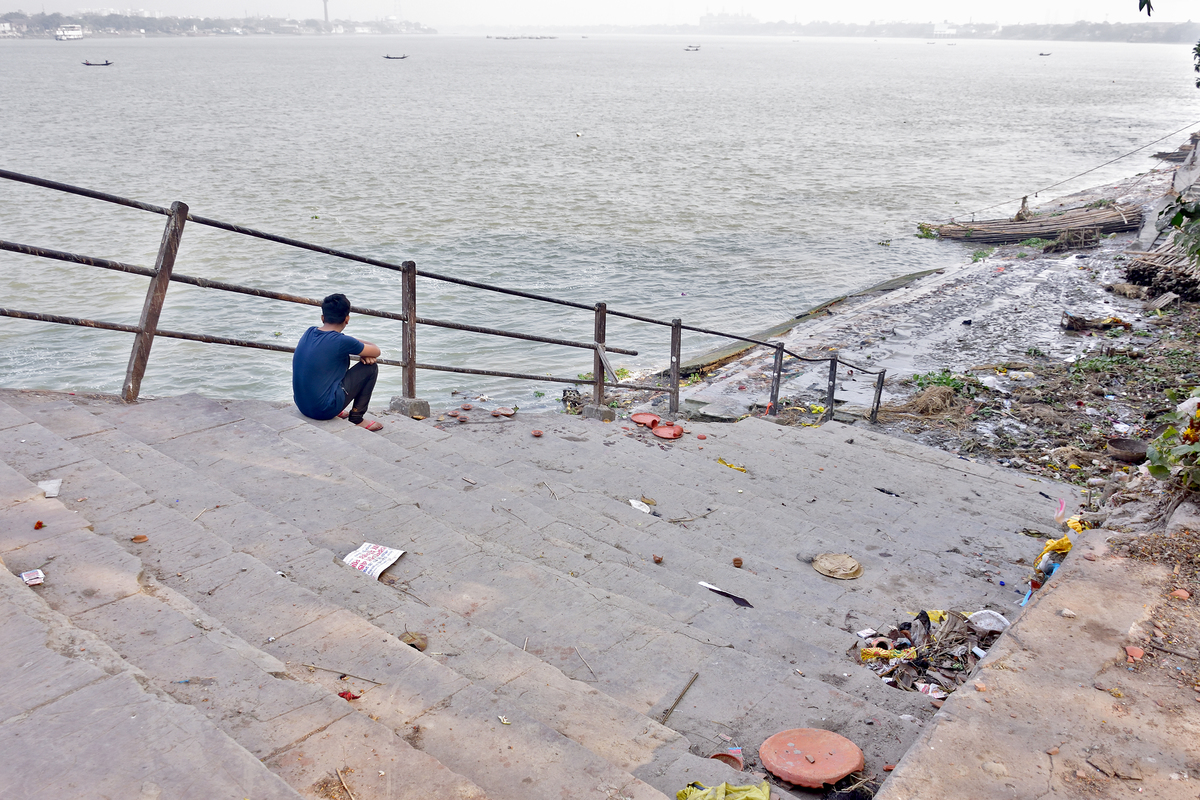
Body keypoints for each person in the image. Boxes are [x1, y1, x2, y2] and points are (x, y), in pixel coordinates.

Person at [292, 293, 384, 431]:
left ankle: (334, 403)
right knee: (371, 368)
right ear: (347, 319)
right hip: (323, 411)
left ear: (322, 318)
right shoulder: (342, 341)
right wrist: (360, 350)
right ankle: (357, 418)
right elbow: (376, 350)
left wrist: (352, 344)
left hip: (302, 406)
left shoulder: (309, 331)